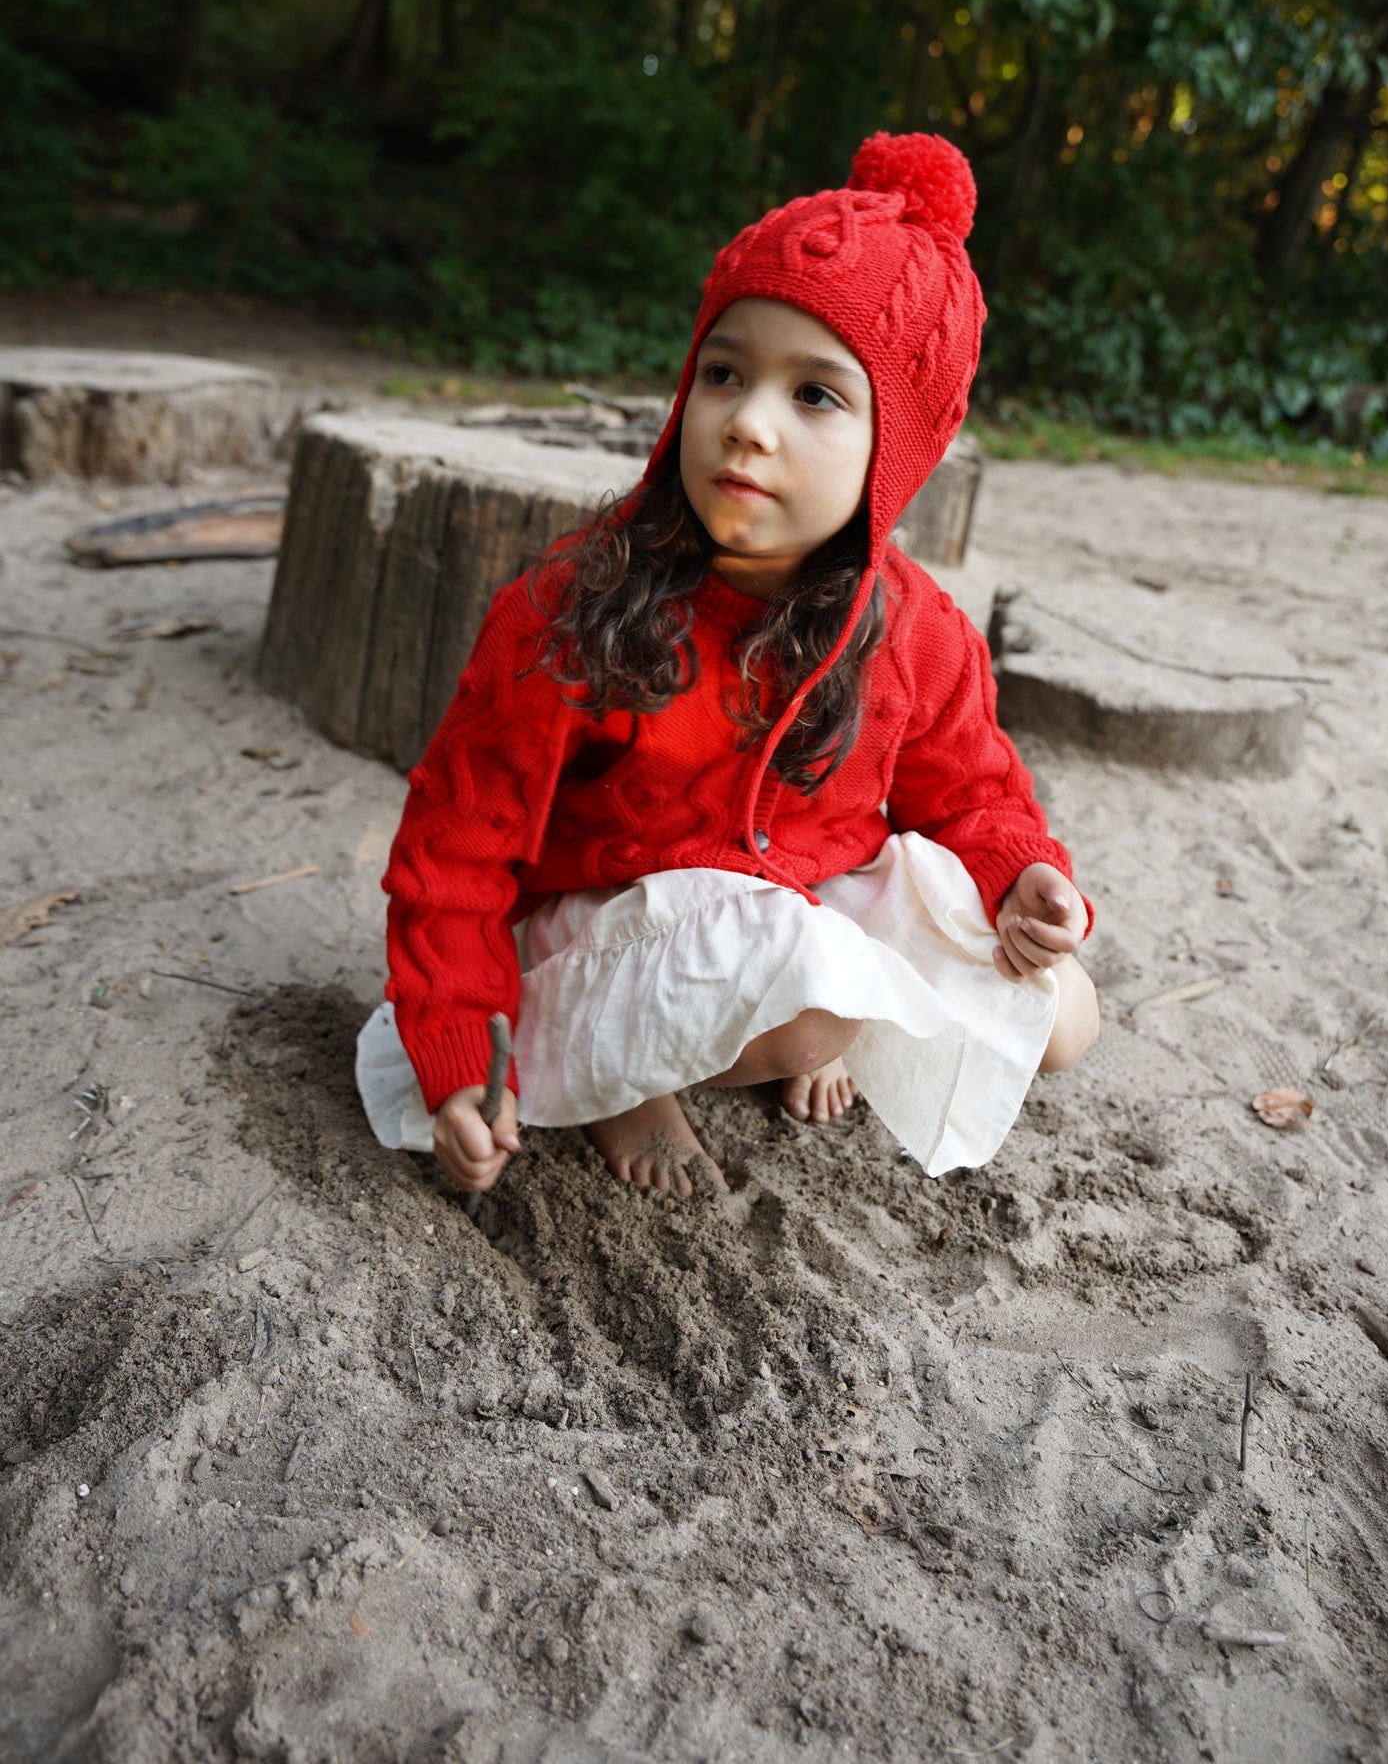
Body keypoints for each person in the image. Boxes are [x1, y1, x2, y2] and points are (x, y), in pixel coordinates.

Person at [356, 131, 1098, 1199]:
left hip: (791, 892)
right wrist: (462, 1050)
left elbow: (967, 789)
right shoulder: (577, 608)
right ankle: (630, 1079)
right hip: (618, 922)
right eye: (723, 371)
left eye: (814, 395)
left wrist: (1024, 874)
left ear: (895, 453)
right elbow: (454, 848)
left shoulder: (913, 629)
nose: (746, 422)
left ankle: (811, 1002)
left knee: (1060, 1012)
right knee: (809, 1015)